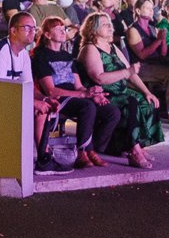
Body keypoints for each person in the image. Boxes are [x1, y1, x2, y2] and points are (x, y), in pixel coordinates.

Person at [31, 16, 121, 169]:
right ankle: (83, 152)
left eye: (64, 29)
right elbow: (51, 90)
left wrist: (93, 94)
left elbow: (78, 86)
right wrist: (83, 95)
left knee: (111, 111)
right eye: (58, 29)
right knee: (87, 106)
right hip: (59, 98)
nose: (63, 32)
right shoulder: (41, 56)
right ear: (47, 34)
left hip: (75, 96)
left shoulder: (67, 56)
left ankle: (93, 149)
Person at [77, 11, 161, 168]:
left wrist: (147, 92)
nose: (110, 27)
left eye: (110, 23)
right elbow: (99, 78)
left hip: (120, 90)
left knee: (146, 102)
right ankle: (134, 151)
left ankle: (138, 145)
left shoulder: (112, 47)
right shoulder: (90, 49)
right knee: (130, 103)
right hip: (103, 93)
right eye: (105, 24)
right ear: (93, 29)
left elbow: (131, 73)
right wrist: (127, 72)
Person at [0, 12, 37, 93]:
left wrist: (45, 98)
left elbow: (28, 89)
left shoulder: (24, 54)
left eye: (34, 28)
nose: (32, 31)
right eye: (27, 27)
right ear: (13, 31)